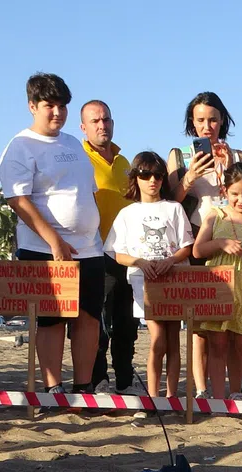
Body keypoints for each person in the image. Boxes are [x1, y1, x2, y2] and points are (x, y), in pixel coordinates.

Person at [0, 73, 103, 395]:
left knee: (88, 317)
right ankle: (53, 387)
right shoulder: (20, 146)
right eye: (49, 106)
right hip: (44, 248)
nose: (57, 112)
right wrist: (54, 240)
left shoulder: (73, 142)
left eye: (62, 106)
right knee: (52, 320)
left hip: (89, 248)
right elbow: (18, 199)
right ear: (33, 106)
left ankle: (83, 386)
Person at [167, 92, 242, 398]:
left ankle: (234, 387)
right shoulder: (178, 155)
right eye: (200, 120)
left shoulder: (238, 155)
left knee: (231, 314)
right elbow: (170, 203)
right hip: (196, 234)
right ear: (192, 122)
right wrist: (189, 178)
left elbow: (239, 199)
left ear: (222, 120)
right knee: (199, 320)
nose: (207, 126)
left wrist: (226, 168)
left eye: (212, 119)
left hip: (231, 235)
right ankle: (201, 388)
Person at [104, 151, 193, 398]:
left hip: (174, 279)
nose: (152, 180)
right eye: (145, 175)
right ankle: (154, 396)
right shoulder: (127, 213)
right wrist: (140, 262)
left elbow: (187, 246)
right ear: (136, 178)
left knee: (174, 339)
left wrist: (171, 261)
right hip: (144, 283)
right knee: (157, 340)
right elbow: (116, 252)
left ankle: (172, 395)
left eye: (158, 175)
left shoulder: (174, 208)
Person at [191, 163, 242, 402]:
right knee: (218, 346)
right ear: (225, 191)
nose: (241, 199)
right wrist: (220, 243)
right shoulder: (216, 214)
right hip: (217, 290)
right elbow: (197, 250)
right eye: (234, 193)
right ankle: (217, 400)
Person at [82, 100, 140, 396]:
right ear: (84, 127)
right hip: (94, 252)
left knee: (126, 323)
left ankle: (126, 380)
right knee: (96, 323)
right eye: (95, 121)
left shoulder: (125, 163)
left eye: (106, 119)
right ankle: (98, 379)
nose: (102, 125)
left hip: (125, 254)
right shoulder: (79, 158)